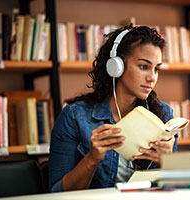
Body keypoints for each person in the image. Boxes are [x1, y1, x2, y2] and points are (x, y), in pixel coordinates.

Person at [49, 24, 178, 192]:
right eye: (144, 67)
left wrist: (168, 162)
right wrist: (92, 159)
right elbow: (57, 192)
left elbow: (173, 189)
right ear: (116, 67)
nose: (152, 78)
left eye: (156, 69)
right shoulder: (74, 117)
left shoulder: (163, 114)